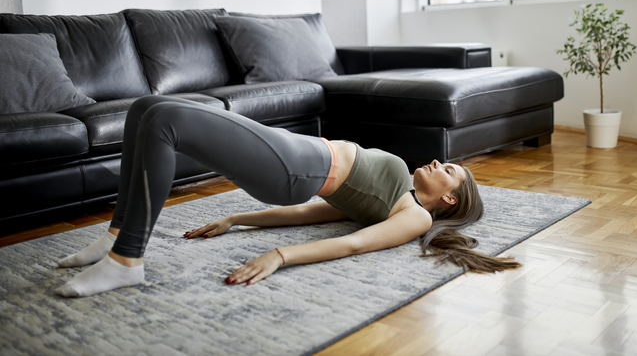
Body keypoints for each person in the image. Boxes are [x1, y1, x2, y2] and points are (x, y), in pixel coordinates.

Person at [55, 96, 520, 297]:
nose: (439, 163)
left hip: (295, 166)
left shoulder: (414, 215)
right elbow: (313, 213)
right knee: (146, 109)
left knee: (165, 122)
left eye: (450, 171)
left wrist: (280, 256)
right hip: (293, 157)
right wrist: (239, 219)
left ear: (451, 200)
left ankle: (127, 262)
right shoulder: (395, 192)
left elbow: (354, 243)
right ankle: (116, 237)